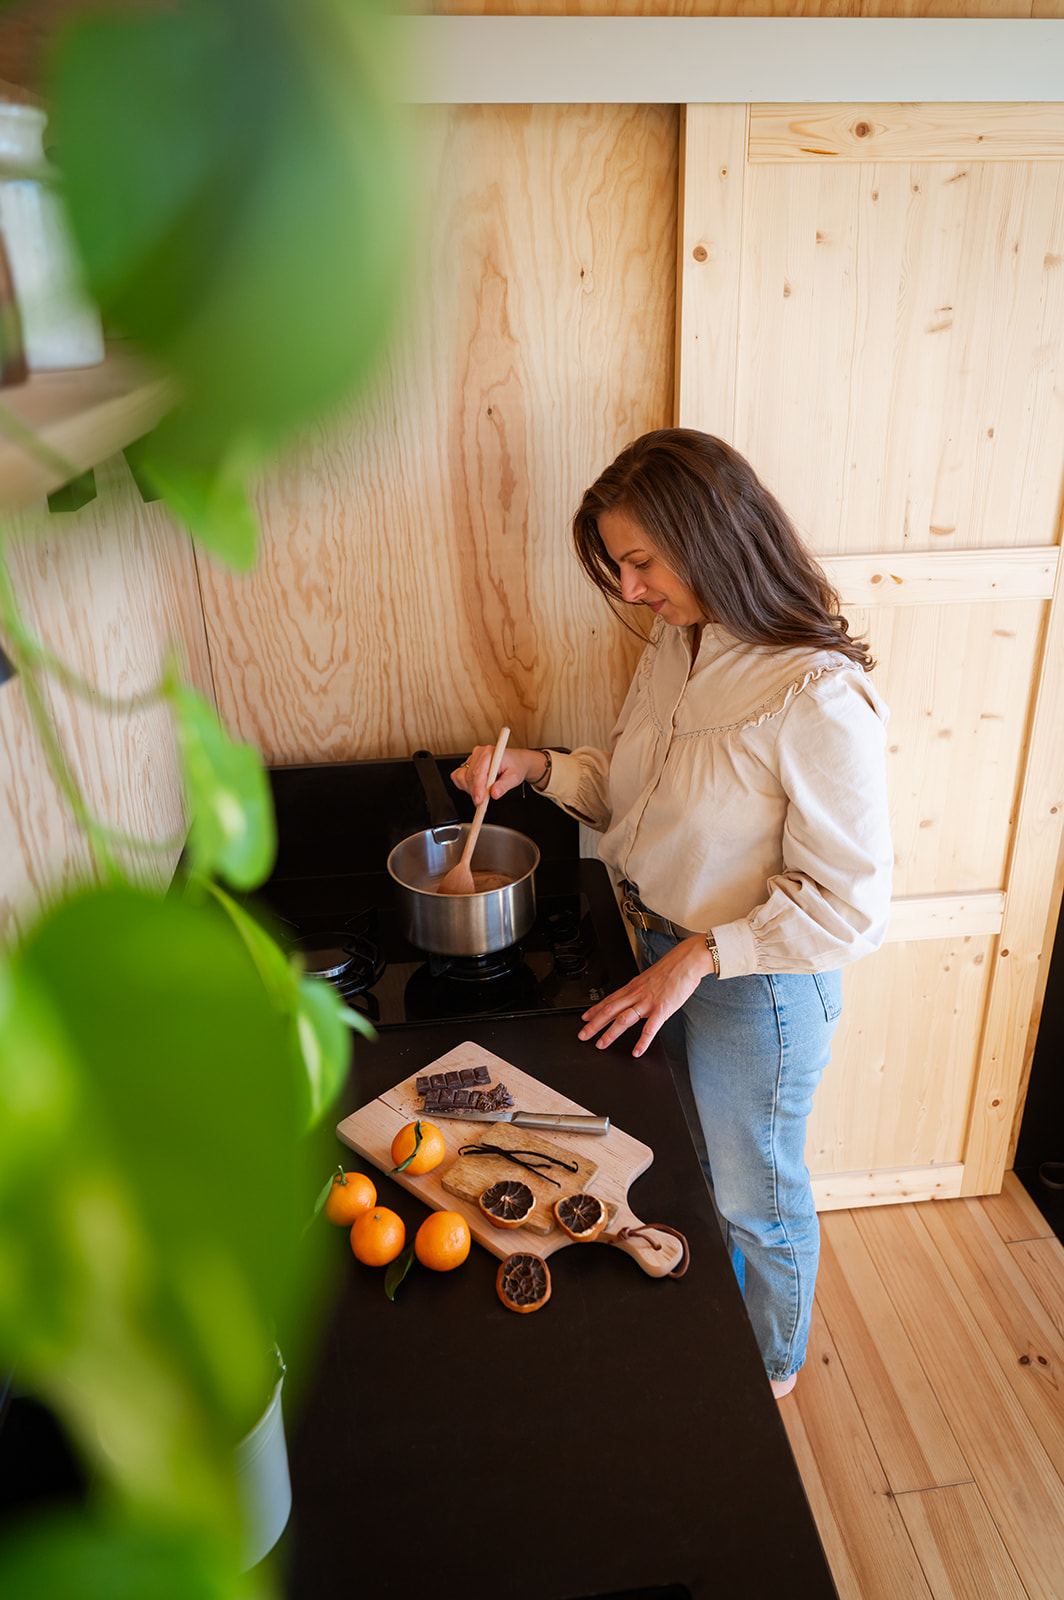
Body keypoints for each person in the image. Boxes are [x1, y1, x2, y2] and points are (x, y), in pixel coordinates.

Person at [453, 429, 893, 1399]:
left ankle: (766, 1373)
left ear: (711, 537)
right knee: (681, 1173)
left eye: (640, 561)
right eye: (617, 565)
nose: (628, 587)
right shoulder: (677, 642)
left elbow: (852, 907)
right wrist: (537, 768)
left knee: (752, 1198)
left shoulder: (813, 693)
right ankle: (709, 1341)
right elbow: (634, 793)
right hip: (650, 947)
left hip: (753, 993)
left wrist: (696, 956)